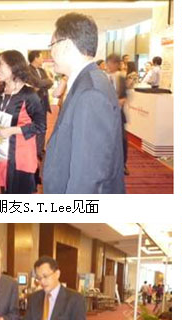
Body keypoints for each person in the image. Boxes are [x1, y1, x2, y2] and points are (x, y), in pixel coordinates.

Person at [43, 13, 125, 194]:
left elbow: (88, 177)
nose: (50, 53)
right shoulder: (85, 82)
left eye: (52, 45)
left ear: (66, 44)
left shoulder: (91, 92)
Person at [0, 50, 46, 194]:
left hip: (21, 155)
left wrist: (13, 130)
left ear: (14, 66)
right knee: (6, 190)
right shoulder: (1, 92)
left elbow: (40, 125)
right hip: (3, 152)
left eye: (1, 64)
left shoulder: (28, 94)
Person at [106, 53, 129, 175]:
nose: (110, 66)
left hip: (118, 113)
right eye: (108, 63)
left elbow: (124, 96)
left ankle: (123, 164)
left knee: (122, 140)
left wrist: (119, 102)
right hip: (105, 113)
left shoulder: (121, 77)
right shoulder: (103, 78)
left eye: (112, 63)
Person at [27, 50, 53, 161]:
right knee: (32, 126)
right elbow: (37, 83)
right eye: (41, 57)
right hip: (33, 103)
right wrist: (45, 82)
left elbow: (49, 83)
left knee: (43, 127)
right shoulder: (28, 70)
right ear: (35, 58)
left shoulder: (42, 70)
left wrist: (44, 83)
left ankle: (40, 149)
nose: (43, 60)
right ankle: (31, 150)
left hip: (44, 102)